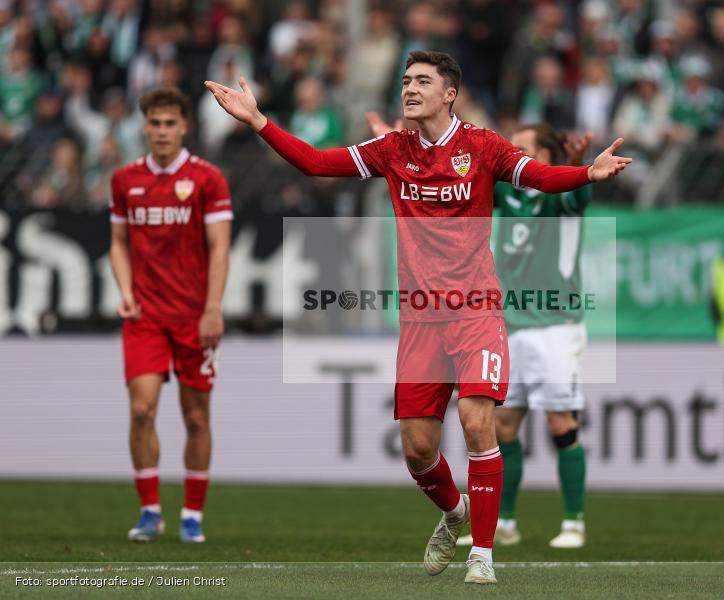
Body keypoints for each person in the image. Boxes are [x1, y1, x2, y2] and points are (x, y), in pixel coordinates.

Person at [204, 51, 630, 585]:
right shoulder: (392, 149)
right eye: (406, 80)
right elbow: (315, 163)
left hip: (477, 310)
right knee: (418, 449)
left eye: (422, 81)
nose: (409, 89)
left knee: (481, 423)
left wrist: (588, 172)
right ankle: (455, 514)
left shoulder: (482, 146)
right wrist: (259, 120)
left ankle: (484, 556)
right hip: (422, 319)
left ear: (448, 93)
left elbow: (539, 176)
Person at [456, 123, 592, 549]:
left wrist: (577, 166)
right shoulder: (507, 194)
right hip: (508, 324)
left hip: (556, 325)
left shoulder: (559, 194)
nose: (510, 153)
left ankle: (573, 521)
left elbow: (580, 195)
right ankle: (505, 523)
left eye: (522, 148)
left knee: (559, 420)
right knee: (503, 424)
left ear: (545, 157)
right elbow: (464, 185)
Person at [109, 87, 232, 544]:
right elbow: (118, 243)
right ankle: (149, 510)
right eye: (154, 123)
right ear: (145, 126)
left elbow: (221, 248)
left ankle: (193, 515)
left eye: (169, 123)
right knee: (141, 408)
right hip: (144, 315)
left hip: (194, 316)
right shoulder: (125, 180)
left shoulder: (207, 179)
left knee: (196, 417)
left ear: (185, 126)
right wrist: (124, 289)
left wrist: (213, 309)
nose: (161, 131)